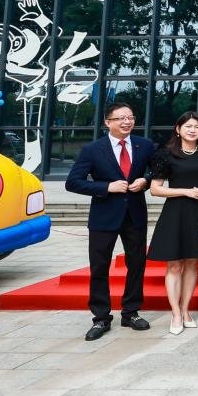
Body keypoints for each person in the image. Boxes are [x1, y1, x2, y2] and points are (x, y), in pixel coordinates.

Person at [67, 102, 156, 340]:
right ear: (108, 122)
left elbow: (160, 168)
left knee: (136, 264)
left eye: (130, 118)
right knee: (99, 267)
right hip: (103, 217)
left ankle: (131, 312)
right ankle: (101, 318)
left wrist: (146, 180)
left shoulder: (144, 145)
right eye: (121, 118)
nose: (127, 122)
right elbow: (73, 182)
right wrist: (106, 187)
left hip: (135, 215)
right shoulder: (92, 150)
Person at [147, 111, 198, 335]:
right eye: (188, 126)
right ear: (178, 129)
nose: (192, 130)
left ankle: (185, 310)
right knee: (174, 265)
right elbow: (155, 189)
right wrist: (186, 191)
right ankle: (175, 313)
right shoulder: (166, 154)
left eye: (197, 127)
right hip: (175, 212)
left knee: (193, 263)